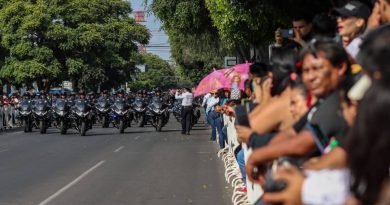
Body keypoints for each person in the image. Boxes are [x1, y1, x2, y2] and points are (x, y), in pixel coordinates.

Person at [246, 39, 351, 183]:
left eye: (317, 68)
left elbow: (302, 144)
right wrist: (268, 154)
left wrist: (258, 156)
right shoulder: (322, 102)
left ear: (340, 67)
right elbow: (292, 133)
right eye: (306, 71)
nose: (311, 77)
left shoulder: (341, 100)